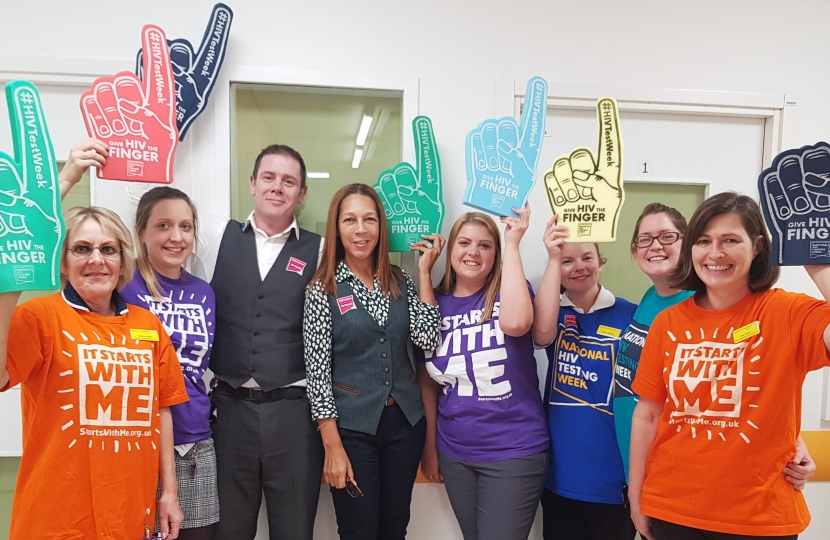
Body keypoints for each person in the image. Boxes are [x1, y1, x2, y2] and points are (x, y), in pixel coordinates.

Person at [630, 192, 830, 540]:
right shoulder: (668, 323)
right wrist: (636, 495)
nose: (715, 253)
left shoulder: (788, 313)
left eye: (731, 240)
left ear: (758, 247)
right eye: (703, 241)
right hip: (671, 509)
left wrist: (817, 263)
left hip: (760, 518)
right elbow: (647, 415)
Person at [0, 206, 187, 539]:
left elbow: (162, 411)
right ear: (63, 261)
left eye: (108, 249)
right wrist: (11, 283)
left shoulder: (148, 325)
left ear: (122, 260)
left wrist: (169, 492)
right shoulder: (38, 317)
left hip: (128, 514)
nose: (97, 259)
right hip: (56, 517)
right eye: (82, 248)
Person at [303, 183, 442, 540]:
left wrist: (425, 273)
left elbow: (427, 339)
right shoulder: (322, 289)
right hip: (352, 431)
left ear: (381, 227)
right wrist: (332, 447)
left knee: (395, 527)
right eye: (350, 220)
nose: (360, 229)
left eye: (369, 219)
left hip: (405, 426)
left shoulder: (400, 280)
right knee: (358, 529)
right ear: (336, 228)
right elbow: (317, 374)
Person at [208, 145, 324, 540]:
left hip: (294, 415)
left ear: (302, 194)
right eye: (269, 178)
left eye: (289, 181)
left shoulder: (320, 250)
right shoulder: (214, 238)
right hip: (229, 410)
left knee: (294, 530)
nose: (278, 187)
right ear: (253, 184)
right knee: (228, 529)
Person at [418, 208, 551, 540]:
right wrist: (431, 446)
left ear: (496, 253)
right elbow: (428, 378)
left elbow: (519, 324)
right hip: (455, 452)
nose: (473, 252)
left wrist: (514, 242)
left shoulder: (511, 291)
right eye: (464, 242)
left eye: (485, 245)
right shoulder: (437, 302)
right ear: (451, 251)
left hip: (514, 450)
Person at [120, 187, 219, 539]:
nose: (176, 237)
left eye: (186, 227)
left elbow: (199, 367)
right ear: (141, 232)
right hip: (136, 443)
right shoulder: (121, 281)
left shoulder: (204, 292)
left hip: (195, 440)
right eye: (163, 225)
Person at [532, 222, 638, 540]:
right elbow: (539, 335)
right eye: (567, 260)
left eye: (587, 258)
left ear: (601, 263)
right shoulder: (550, 315)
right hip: (560, 477)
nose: (579, 267)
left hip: (615, 479)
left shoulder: (631, 315)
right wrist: (551, 255)